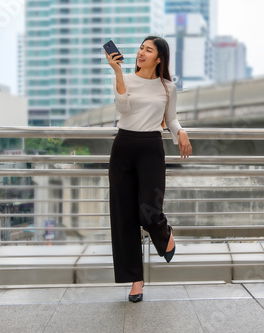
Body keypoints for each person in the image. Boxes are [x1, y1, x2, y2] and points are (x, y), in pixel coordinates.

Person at [105, 36, 192, 303]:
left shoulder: (168, 86)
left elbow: (171, 118)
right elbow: (123, 107)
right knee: (123, 217)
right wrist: (118, 72)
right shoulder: (125, 79)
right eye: (141, 48)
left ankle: (164, 232)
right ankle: (136, 281)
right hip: (123, 147)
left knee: (149, 209)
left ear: (159, 58)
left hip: (151, 148)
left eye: (148, 50)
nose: (141, 53)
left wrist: (181, 132)